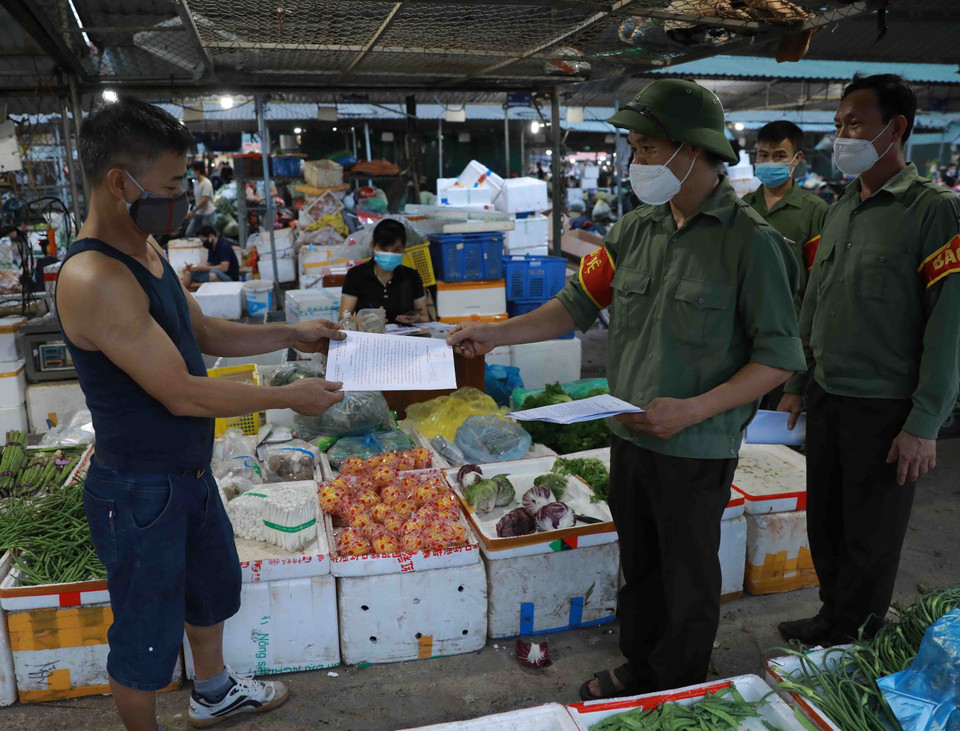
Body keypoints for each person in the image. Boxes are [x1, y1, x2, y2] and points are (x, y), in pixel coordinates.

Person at [449, 79, 805, 700]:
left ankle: (675, 684)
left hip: (696, 445)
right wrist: (495, 332)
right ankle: (641, 666)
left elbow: (778, 358)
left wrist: (693, 408)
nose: (635, 162)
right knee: (638, 563)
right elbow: (573, 305)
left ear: (692, 151)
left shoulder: (753, 244)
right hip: (629, 433)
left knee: (687, 575)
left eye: (645, 148)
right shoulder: (633, 231)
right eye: (634, 149)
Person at [59, 97, 347, 731]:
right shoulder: (94, 277)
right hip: (139, 487)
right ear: (118, 183)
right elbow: (184, 392)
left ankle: (214, 691)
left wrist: (292, 335)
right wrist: (288, 396)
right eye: (170, 185)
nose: (183, 197)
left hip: (187, 473)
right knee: (144, 640)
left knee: (211, 590)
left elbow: (205, 333)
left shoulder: (148, 249)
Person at [777, 74, 960, 647]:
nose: (841, 135)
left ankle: (854, 638)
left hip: (885, 407)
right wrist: (797, 381)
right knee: (826, 524)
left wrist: (924, 424)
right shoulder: (839, 210)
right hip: (829, 394)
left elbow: (950, 325)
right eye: (837, 125)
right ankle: (832, 618)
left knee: (870, 537)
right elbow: (815, 303)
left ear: (896, 128)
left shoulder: (933, 211)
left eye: (854, 123)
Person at [741, 121, 829, 409]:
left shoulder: (814, 212)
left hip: (788, 346)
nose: (769, 162)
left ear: (796, 159)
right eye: (763, 155)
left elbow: (818, 294)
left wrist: (798, 379)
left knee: (780, 444)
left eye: (779, 155)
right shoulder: (741, 208)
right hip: (742, 344)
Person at [340, 219, 429, 325]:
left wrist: (416, 318)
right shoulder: (356, 275)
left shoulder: (412, 276)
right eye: (384, 249)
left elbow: (424, 317)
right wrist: (366, 320)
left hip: (404, 337)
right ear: (373, 246)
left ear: (404, 249)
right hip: (370, 335)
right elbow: (343, 317)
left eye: (396, 250)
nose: (389, 255)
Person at [185, 161, 216, 238]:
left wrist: (193, 211)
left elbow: (204, 201)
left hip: (207, 213)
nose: (192, 172)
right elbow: (197, 199)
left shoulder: (206, 183)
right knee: (189, 233)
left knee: (206, 236)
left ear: (198, 171)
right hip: (198, 212)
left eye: (193, 170)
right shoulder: (196, 183)